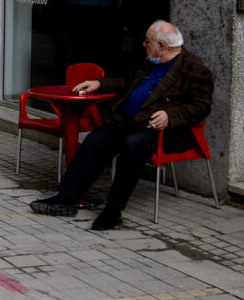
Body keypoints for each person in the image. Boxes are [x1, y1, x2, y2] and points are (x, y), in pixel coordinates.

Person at [29, 20, 213, 230]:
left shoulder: (195, 69)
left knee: (133, 145)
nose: (143, 44)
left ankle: (113, 210)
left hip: (159, 129)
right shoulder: (150, 61)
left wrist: (170, 115)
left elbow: (201, 106)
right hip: (128, 121)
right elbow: (126, 83)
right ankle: (67, 196)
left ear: (161, 45)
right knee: (96, 139)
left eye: (148, 41)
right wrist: (99, 83)